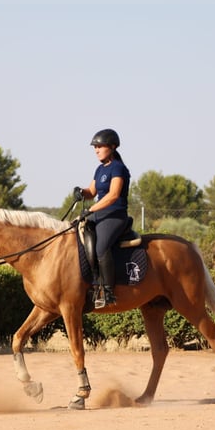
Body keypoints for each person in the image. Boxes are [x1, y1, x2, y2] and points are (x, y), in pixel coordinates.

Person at [73, 128, 131, 308]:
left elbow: (113, 195)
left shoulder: (118, 168)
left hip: (115, 215)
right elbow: (92, 192)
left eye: (100, 146)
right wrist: (81, 192)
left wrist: (91, 209)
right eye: (95, 147)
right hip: (99, 214)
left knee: (101, 246)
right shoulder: (100, 169)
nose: (96, 150)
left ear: (112, 147)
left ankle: (107, 291)